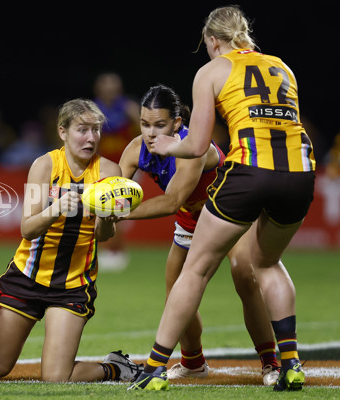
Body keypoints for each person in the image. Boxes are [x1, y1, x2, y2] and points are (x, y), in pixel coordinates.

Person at [128, 6, 315, 391]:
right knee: (267, 264)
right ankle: (290, 363)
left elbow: (196, 145)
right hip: (300, 170)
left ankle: (154, 367)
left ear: (213, 41)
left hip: (250, 170)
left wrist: (166, 144)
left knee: (195, 270)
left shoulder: (211, 71)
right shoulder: (283, 66)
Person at [119, 84, 279, 385]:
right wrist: (94, 202)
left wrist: (119, 213)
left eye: (159, 124)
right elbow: (114, 189)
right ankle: (193, 363)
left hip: (230, 212)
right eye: (144, 124)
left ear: (177, 123)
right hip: (192, 220)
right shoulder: (135, 149)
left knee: (244, 274)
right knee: (176, 293)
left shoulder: (194, 146)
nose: (150, 133)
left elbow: (171, 200)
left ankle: (271, 363)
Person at [0, 98, 142, 382]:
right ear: (63, 132)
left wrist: (107, 217)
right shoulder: (44, 166)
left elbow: (104, 237)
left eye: (96, 130)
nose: (91, 137)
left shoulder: (109, 173)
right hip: (27, 277)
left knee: (55, 379)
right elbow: (27, 228)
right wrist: (55, 208)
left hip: (72, 284)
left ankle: (115, 368)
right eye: (83, 129)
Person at [93, 72, 141, 271]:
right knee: (98, 209)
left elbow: (143, 134)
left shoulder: (128, 108)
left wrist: (135, 117)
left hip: (126, 165)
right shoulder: (93, 110)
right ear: (99, 89)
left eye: (114, 87)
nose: (111, 91)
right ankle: (105, 251)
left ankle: (116, 251)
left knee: (117, 209)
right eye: (107, 87)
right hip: (101, 164)